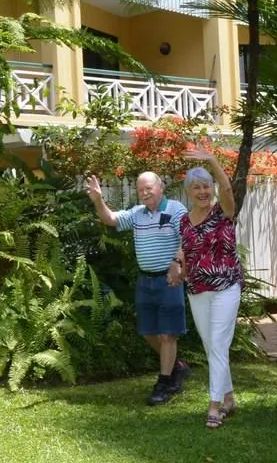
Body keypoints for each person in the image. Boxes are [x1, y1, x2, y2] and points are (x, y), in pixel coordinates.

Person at [86, 171, 190, 405]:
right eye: (140, 189)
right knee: (147, 331)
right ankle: (178, 366)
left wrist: (177, 263)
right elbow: (110, 219)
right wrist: (97, 201)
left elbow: (187, 239)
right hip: (145, 281)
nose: (144, 193)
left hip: (168, 280)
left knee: (167, 333)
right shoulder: (137, 214)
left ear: (160, 187)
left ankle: (164, 383)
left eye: (148, 188)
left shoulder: (175, 209)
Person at [175, 148, 243, 429]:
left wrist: (213, 161)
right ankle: (228, 398)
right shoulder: (184, 220)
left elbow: (227, 189)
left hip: (226, 286)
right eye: (196, 187)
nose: (202, 191)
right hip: (197, 290)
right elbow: (186, 250)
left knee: (217, 343)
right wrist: (177, 267)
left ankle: (214, 405)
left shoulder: (224, 211)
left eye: (206, 186)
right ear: (188, 192)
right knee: (211, 345)